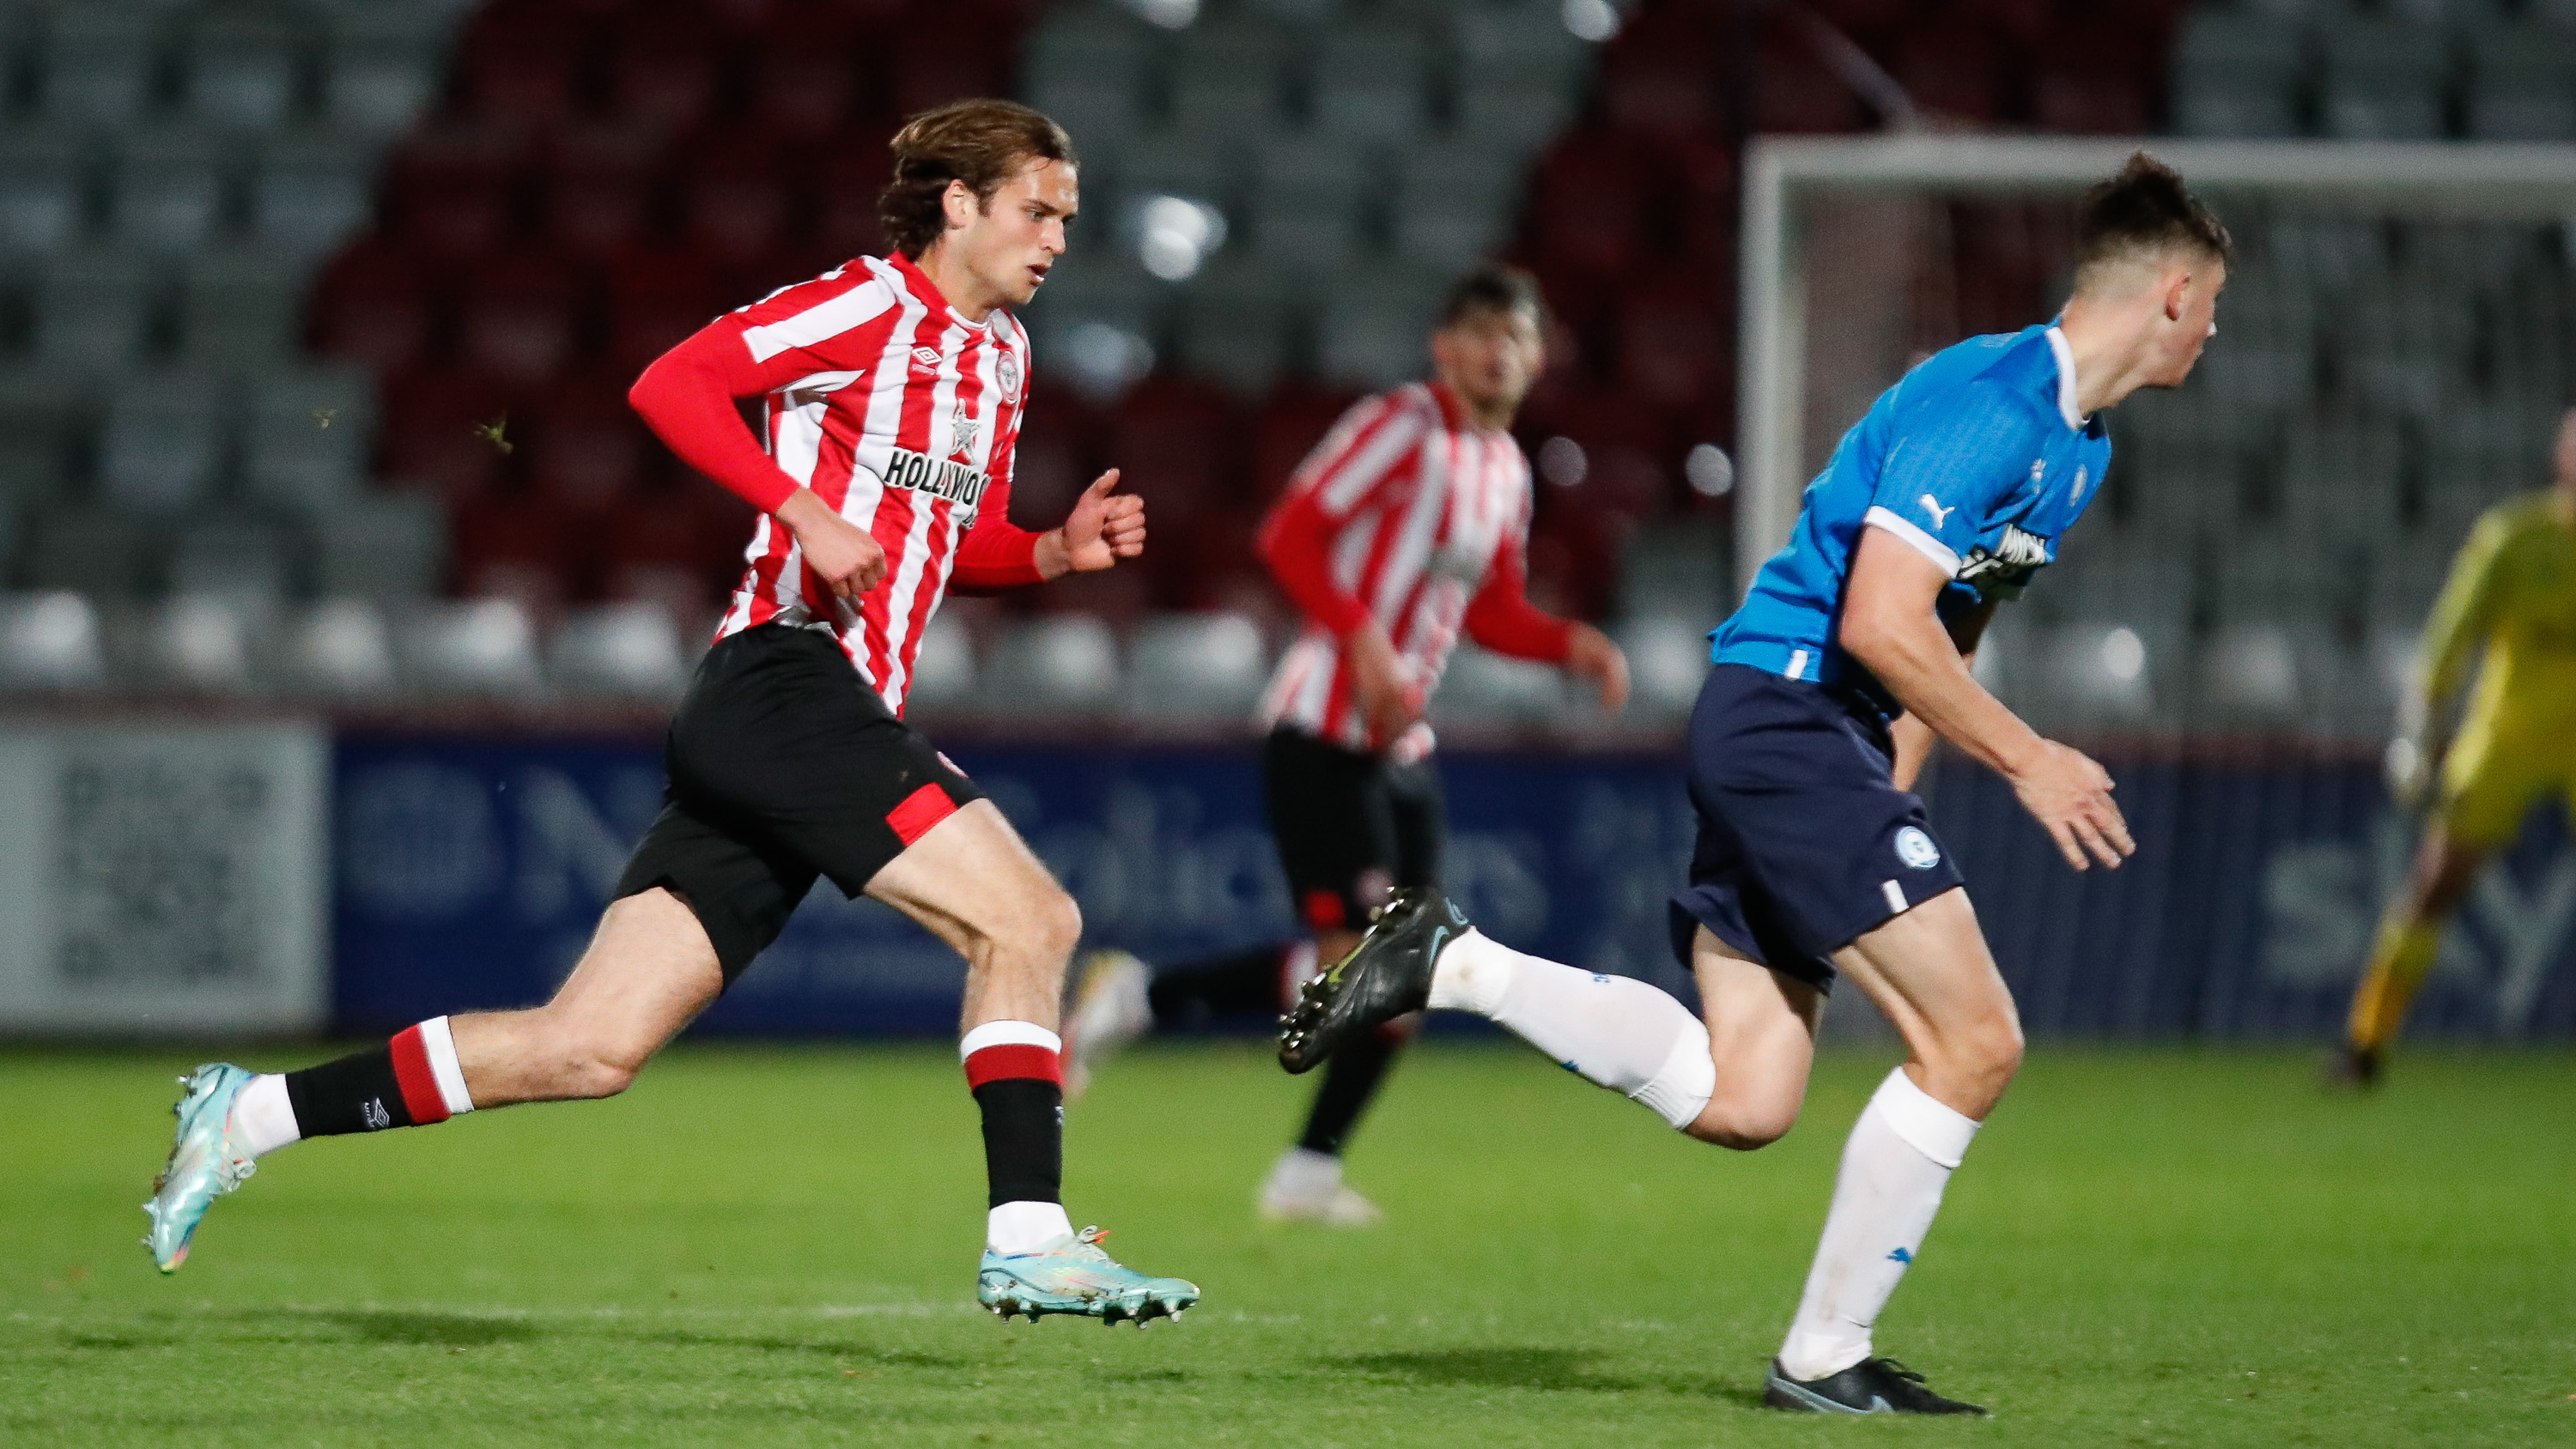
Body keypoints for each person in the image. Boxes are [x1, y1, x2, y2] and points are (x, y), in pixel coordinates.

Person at [142, 100, 1200, 1325]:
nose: (1059, 237)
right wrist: (797, 508)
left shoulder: (1001, 358)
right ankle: (1031, 1239)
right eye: (1039, 209)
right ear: (958, 205)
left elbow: (938, 542)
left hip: (797, 712)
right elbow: (674, 382)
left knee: (587, 1048)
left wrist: (1054, 555)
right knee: (1028, 918)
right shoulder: (863, 307)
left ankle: (251, 1111)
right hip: (784, 679)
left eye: (1067, 215)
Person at [1279, 153, 2227, 1414]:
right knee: (1977, 1042)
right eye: (2214, 302)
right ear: (2171, 292)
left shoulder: (2078, 449)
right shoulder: (1992, 398)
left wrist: (1899, 786)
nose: (2217, 331)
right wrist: (2031, 757)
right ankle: (1824, 1360)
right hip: (1785, 716)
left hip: (1810, 741)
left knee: (1746, 1101)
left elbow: (1954, 625)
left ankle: (1452, 963)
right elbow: (1886, 624)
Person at [1059, 265, 1630, 1225]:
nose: (1500, 351)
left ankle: (1306, 1173)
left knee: (1405, 976)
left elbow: (1488, 611)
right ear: (1445, 345)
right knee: (1368, 955)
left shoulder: (1506, 468)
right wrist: (1365, 642)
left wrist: (1568, 642)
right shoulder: (1401, 426)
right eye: (1483, 330)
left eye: (1518, 337)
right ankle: (1137, 997)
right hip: (1321, 728)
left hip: (1400, 749)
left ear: (1538, 358)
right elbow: (1289, 535)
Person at [2336, 408, 2576, 1088]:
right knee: (2437, 883)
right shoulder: (2514, 539)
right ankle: (2364, 1044)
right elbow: (2450, 640)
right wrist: (2422, 732)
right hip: (2508, 738)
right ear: (2562, 461)